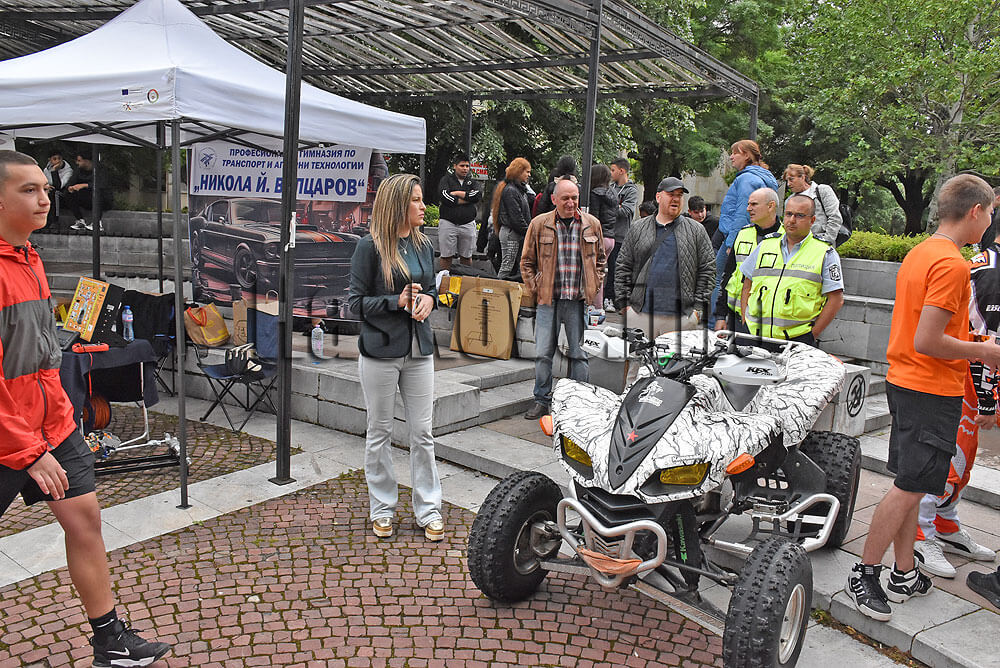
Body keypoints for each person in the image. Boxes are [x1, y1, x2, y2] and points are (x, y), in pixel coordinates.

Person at [0, 151, 171, 667]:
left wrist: (60, 423)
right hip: (11, 436)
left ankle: (110, 640)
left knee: (85, 521)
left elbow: (42, 360)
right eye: (29, 190)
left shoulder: (29, 257)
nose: (45, 198)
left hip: (50, 428)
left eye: (44, 187)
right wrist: (28, 450)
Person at [848, 174, 1000, 623]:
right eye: (991, 213)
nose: (991, 222)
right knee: (908, 488)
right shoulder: (952, 264)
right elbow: (929, 340)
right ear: (975, 211)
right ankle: (865, 573)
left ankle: (903, 571)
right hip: (930, 388)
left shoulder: (922, 251)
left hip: (907, 381)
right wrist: (984, 351)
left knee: (912, 485)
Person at [348, 173, 444, 542]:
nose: (423, 206)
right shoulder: (369, 247)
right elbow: (355, 304)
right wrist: (396, 301)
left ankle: (429, 509)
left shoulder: (424, 244)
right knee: (380, 432)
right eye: (416, 200)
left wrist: (428, 300)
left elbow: (432, 288)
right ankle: (383, 508)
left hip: (419, 350)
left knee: (423, 433)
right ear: (397, 204)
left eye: (422, 199)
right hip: (380, 352)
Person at [912, 231, 1000, 578]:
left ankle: (945, 524)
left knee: (964, 462)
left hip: (972, 378)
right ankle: (922, 535)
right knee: (950, 460)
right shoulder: (989, 271)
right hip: (964, 378)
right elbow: (985, 342)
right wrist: (987, 401)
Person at [520, 178, 606, 419]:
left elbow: (601, 260)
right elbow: (526, 262)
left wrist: (594, 285)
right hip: (548, 301)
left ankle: (579, 404)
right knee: (543, 354)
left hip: (578, 301)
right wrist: (536, 288)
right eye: (565, 198)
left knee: (580, 354)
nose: (570, 203)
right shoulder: (539, 224)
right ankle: (541, 400)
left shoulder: (592, 224)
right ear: (554, 199)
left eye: (574, 198)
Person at [615, 177, 715, 338]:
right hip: (640, 314)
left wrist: (697, 310)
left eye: (680, 195)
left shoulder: (696, 230)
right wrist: (625, 305)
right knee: (636, 355)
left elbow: (708, 269)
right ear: (658, 197)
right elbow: (623, 266)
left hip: (682, 318)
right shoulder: (638, 228)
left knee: (676, 356)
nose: (676, 199)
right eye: (671, 194)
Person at [739, 194, 844, 346]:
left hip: (796, 341)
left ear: (812, 220)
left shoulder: (824, 253)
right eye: (788, 214)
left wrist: (811, 336)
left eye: (799, 216)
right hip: (754, 337)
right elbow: (746, 285)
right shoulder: (766, 245)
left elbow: (836, 299)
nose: (792, 220)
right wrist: (745, 322)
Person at [710, 140, 779, 322]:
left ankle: (715, 322)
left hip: (735, 238)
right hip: (751, 237)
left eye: (735, 153)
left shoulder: (747, 179)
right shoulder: (763, 177)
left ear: (747, 155)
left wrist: (731, 243)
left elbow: (742, 213)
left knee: (719, 280)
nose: (731, 157)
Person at [714, 188, 782, 332]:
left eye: (754, 204)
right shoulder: (743, 234)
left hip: (770, 323)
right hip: (737, 318)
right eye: (748, 204)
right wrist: (720, 316)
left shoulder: (786, 238)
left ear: (771, 206)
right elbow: (727, 275)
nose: (748, 208)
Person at [605, 158, 640, 312]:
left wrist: (609, 208)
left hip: (620, 236)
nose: (610, 173)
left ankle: (613, 299)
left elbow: (626, 211)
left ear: (622, 171)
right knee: (605, 268)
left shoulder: (631, 190)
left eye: (613, 170)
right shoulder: (609, 187)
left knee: (616, 269)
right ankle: (607, 297)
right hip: (607, 233)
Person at [436, 154, 482, 271]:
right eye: (462, 166)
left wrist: (456, 193)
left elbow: (477, 196)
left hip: (467, 223)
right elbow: (444, 196)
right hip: (448, 223)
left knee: (466, 256)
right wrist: (467, 199)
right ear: (455, 166)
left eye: (467, 166)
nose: (465, 168)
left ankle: (466, 277)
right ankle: (444, 278)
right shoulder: (446, 180)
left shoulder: (473, 182)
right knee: (446, 256)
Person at [491, 157, 532, 281]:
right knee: (507, 266)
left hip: (513, 232)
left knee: (510, 265)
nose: (529, 175)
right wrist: (529, 232)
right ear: (519, 171)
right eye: (527, 172)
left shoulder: (517, 189)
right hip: (511, 233)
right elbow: (516, 217)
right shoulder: (511, 190)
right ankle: (498, 289)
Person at [783, 163, 843, 245]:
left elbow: (835, 218)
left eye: (791, 179)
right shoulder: (789, 200)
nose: (788, 184)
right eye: (787, 181)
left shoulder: (822, 190)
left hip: (820, 243)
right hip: (797, 245)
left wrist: (826, 241)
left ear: (802, 177)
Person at [588, 164, 618, 311]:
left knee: (592, 273)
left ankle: (594, 306)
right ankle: (598, 306)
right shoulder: (613, 193)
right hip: (610, 238)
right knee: (600, 273)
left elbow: (593, 218)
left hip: (598, 237)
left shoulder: (595, 194)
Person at [65, 151, 113, 232]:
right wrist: (71, 187)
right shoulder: (79, 170)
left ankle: (97, 223)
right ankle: (80, 221)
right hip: (86, 199)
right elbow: (70, 182)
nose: (77, 163)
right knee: (68, 194)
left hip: (102, 200)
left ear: (87, 161)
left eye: (79, 161)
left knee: (98, 193)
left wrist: (84, 185)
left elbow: (102, 185)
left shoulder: (100, 170)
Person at [42, 149, 72, 229]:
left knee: (55, 193)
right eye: (54, 159)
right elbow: (44, 183)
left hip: (63, 195)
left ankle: (55, 221)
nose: (57, 161)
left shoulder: (68, 171)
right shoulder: (46, 170)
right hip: (50, 193)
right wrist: (46, 187)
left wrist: (54, 171)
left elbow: (59, 186)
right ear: (50, 160)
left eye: (59, 158)